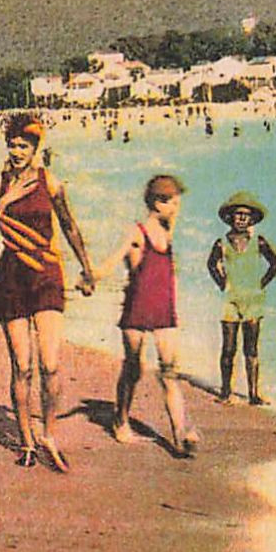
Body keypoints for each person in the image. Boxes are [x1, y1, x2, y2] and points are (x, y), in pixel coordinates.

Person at [0, 114, 96, 473]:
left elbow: (70, 226)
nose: (15, 152)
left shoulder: (51, 182)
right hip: (12, 278)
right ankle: (26, 442)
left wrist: (86, 267)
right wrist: (3, 200)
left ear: (34, 149)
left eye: (23, 146)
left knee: (51, 363)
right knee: (23, 366)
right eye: (11, 145)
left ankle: (50, 434)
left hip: (47, 275)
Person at [87, 174, 200, 457]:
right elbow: (112, 262)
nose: (176, 207)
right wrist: (90, 278)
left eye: (177, 202)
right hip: (137, 308)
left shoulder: (167, 231)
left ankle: (180, 434)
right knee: (133, 369)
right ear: (157, 202)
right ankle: (120, 420)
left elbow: (175, 215)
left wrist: (175, 201)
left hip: (164, 310)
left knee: (169, 372)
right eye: (172, 202)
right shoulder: (137, 233)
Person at [206, 191, 276, 404]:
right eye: (237, 214)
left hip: (253, 301)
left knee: (251, 348)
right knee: (228, 348)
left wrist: (260, 284)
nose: (241, 218)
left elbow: (275, 264)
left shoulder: (259, 241)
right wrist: (222, 283)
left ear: (251, 219)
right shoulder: (221, 242)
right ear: (230, 217)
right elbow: (211, 264)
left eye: (245, 215)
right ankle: (225, 392)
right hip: (230, 300)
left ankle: (253, 394)